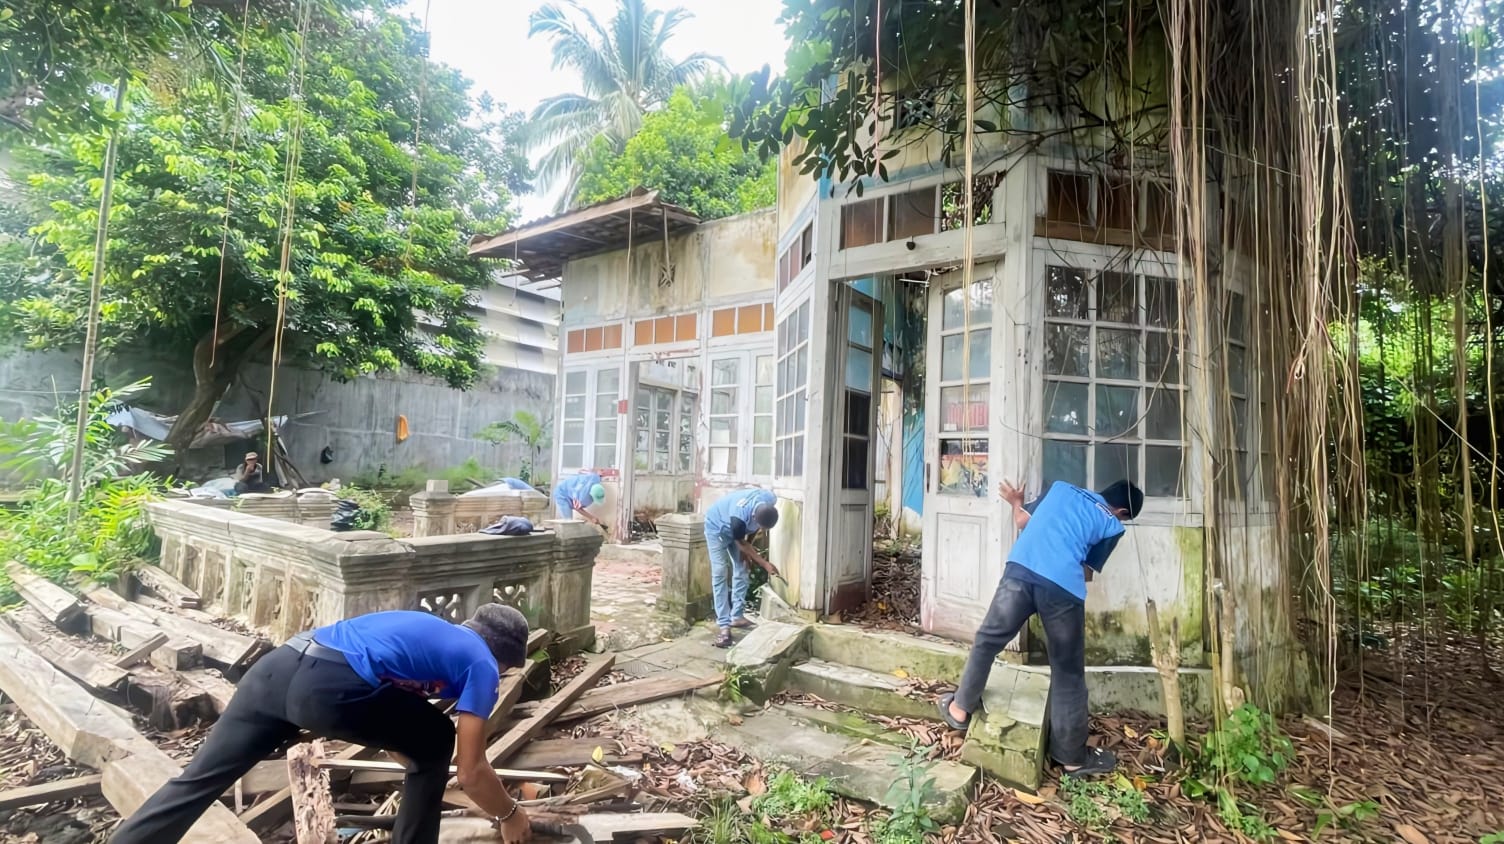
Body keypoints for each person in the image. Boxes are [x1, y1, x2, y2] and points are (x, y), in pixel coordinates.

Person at [109, 605, 535, 844]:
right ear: (504, 658)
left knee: (199, 780)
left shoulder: (428, 634)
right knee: (438, 737)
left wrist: (419, 764)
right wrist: (510, 814)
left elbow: (393, 720)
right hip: (326, 688)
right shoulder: (482, 662)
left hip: (274, 671)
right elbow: (471, 771)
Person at [937, 479, 1144, 778]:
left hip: (1020, 573)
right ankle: (1072, 759)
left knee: (987, 640)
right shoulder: (1113, 525)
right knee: (1068, 671)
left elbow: (1023, 522)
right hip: (1062, 591)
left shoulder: (1060, 488)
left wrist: (1016, 503)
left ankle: (960, 708)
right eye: (1124, 517)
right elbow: (1086, 570)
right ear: (1122, 511)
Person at [703, 488, 781, 648]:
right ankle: (724, 626)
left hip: (736, 530)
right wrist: (764, 563)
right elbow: (740, 541)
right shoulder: (738, 519)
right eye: (762, 526)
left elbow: (752, 531)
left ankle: (737, 617)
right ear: (754, 517)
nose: (763, 531)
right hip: (717, 528)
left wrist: (749, 549)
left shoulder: (769, 499)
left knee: (743, 567)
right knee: (720, 572)